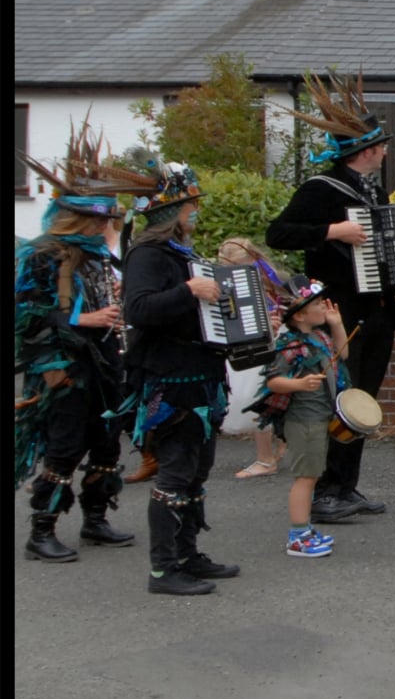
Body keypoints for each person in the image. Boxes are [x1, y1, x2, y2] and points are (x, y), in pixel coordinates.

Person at [266, 70, 395, 525]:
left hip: (375, 311)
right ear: (367, 151)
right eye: (382, 145)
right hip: (337, 313)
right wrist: (333, 231)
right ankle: (326, 490)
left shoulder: (374, 191)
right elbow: (279, 233)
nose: (386, 151)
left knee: (362, 400)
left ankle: (345, 486)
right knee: (338, 398)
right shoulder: (320, 190)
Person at [15, 127, 148, 562]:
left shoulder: (95, 255)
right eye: (98, 221)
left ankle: (95, 519)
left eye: (107, 221)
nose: (104, 227)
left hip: (105, 361)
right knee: (66, 446)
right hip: (64, 367)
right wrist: (80, 318)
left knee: (107, 441)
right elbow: (25, 315)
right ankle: (41, 531)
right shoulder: (42, 255)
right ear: (78, 219)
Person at [119, 161, 241, 595]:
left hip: (200, 378)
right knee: (175, 472)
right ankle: (163, 570)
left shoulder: (180, 254)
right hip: (172, 383)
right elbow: (139, 311)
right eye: (190, 205)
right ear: (170, 211)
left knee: (196, 471)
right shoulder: (147, 255)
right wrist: (189, 292)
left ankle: (188, 555)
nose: (196, 213)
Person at [248, 278, 349, 559]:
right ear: (300, 315)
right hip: (303, 419)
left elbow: (344, 354)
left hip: (318, 417)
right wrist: (300, 385)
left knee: (313, 474)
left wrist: (337, 324)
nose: (323, 308)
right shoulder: (289, 345)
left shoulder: (321, 338)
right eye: (317, 305)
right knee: (305, 477)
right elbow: (273, 382)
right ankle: (297, 536)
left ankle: (305, 528)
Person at [217, 237, 289, 480]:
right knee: (266, 399)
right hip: (257, 343)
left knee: (259, 399)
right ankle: (276, 446)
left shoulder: (268, 283)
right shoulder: (267, 281)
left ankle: (265, 459)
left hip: (263, 346)